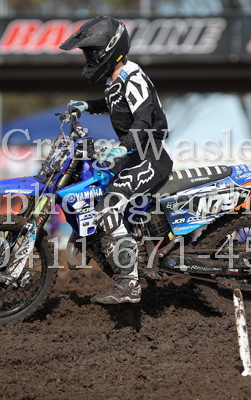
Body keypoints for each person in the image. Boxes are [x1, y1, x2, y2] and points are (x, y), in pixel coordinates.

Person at [59, 16, 173, 304]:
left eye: (93, 53)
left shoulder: (133, 77)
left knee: (108, 206)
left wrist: (123, 148)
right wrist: (86, 106)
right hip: (135, 155)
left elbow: (144, 120)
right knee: (97, 189)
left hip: (150, 156)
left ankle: (129, 284)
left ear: (111, 49)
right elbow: (112, 104)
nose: (90, 60)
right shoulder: (115, 80)